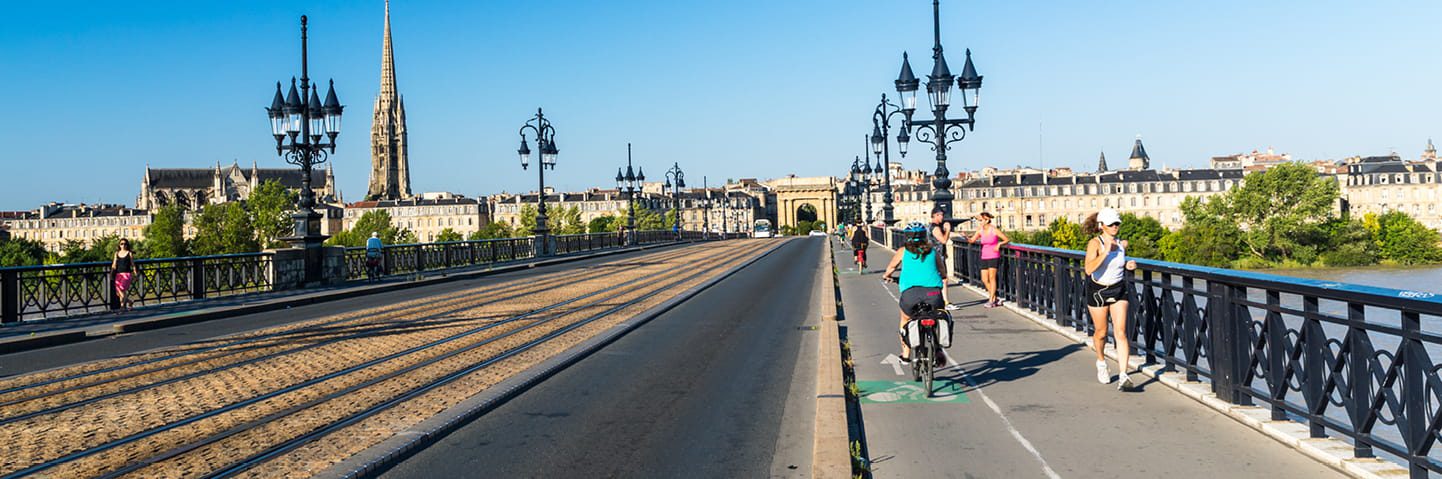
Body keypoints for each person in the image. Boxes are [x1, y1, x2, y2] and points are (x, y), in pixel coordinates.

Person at [1083, 208, 1139, 391]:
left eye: (1117, 223)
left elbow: (1118, 263)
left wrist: (1128, 264)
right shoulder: (1095, 243)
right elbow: (1089, 269)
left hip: (1118, 289)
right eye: (1111, 224)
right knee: (1101, 332)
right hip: (1098, 290)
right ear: (1102, 226)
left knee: (1121, 332)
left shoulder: (1122, 243)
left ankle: (1123, 375)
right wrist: (1105, 252)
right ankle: (1101, 362)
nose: (1115, 227)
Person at [882, 222, 947, 363]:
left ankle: (906, 354)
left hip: (910, 295)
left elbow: (891, 267)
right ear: (925, 236)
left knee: (905, 320)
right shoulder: (933, 251)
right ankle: (938, 348)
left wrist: (887, 276)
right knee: (939, 316)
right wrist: (941, 276)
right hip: (933, 294)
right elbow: (942, 270)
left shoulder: (903, 251)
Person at [967, 212, 1009, 308]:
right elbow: (972, 240)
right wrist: (965, 237)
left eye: (981, 220)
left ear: (987, 220)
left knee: (992, 277)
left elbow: (1006, 239)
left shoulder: (994, 230)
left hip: (994, 255)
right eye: (979, 221)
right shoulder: (980, 230)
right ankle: (995, 298)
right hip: (984, 256)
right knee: (984, 279)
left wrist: (999, 244)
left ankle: (991, 300)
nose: (979, 222)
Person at [928, 207, 960, 311]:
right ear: (936, 215)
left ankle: (937, 301)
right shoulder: (935, 228)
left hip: (935, 255)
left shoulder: (930, 226)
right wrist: (948, 230)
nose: (943, 217)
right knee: (943, 280)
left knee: (937, 280)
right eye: (941, 215)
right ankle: (945, 302)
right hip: (937, 257)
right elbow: (943, 240)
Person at [110, 239, 136, 311]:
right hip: (118, 274)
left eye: (125, 244)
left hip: (126, 274)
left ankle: (122, 306)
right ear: (119, 245)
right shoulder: (116, 253)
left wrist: (135, 272)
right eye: (121, 244)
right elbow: (114, 264)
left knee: (121, 289)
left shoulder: (129, 253)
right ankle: (129, 303)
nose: (123, 245)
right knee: (119, 292)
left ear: (127, 245)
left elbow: (132, 264)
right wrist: (112, 272)